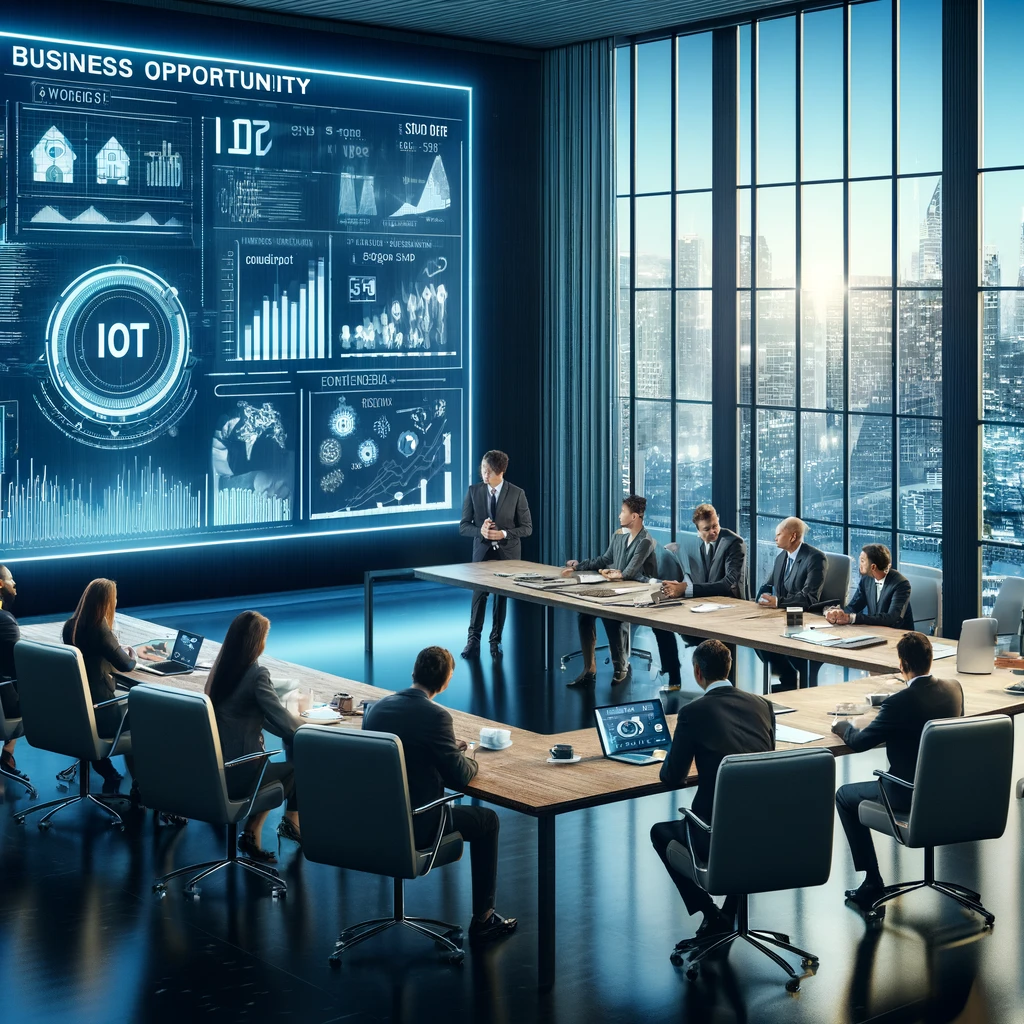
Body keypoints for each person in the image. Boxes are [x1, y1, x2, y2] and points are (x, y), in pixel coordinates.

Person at [363, 646, 517, 945]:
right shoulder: (436, 717)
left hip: (376, 820)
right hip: (418, 823)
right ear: (446, 682)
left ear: (413, 672)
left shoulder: (377, 709)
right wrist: (469, 753)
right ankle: (484, 919)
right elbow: (459, 776)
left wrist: (443, 747)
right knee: (487, 820)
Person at [650, 640, 775, 945]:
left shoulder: (694, 712)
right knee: (742, 824)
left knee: (660, 832)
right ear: (728, 668)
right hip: (767, 832)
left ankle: (711, 913)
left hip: (714, 836)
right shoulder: (763, 705)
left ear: (697, 672)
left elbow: (672, 776)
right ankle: (729, 912)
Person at [832, 632, 963, 914]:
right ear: (930, 659)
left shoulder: (898, 703)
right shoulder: (954, 690)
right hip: (949, 791)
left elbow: (860, 742)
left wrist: (843, 726)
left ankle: (872, 881)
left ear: (902, 664)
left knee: (844, 795)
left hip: (907, 793)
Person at [205, 610, 301, 864]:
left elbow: (255, 715)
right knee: (299, 767)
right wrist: (304, 723)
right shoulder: (257, 674)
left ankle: (256, 832)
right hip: (241, 774)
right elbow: (284, 722)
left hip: (214, 772)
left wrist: (287, 728)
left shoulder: (221, 673)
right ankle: (269, 827)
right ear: (257, 642)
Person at [562, 495, 676, 687]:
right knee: (584, 613)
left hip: (643, 593)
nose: (619, 515)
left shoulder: (645, 541)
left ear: (634, 516)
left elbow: (630, 572)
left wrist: (616, 574)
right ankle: (589, 669)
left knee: (609, 613)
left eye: (623, 512)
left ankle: (620, 667)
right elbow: (604, 559)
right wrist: (578, 566)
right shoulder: (619, 536)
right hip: (621, 588)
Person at [62, 579, 136, 790]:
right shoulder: (100, 630)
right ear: (106, 603)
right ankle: (140, 786)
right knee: (143, 715)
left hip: (79, 711)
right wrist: (132, 654)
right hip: (101, 713)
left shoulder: (71, 626)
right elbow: (126, 665)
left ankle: (108, 772)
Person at [458, 450, 533, 659]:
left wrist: (504, 533)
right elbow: (463, 527)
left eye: (487, 470)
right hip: (482, 553)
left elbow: (527, 528)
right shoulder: (474, 491)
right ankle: (473, 640)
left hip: (507, 556)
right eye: (482, 469)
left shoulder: (517, 493)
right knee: (478, 595)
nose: (483, 474)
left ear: (499, 472)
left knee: (501, 598)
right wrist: (479, 531)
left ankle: (496, 640)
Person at [755, 517, 827, 691]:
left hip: (804, 619)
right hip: (780, 618)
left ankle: (794, 680)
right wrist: (760, 598)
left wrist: (778, 602)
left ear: (793, 537)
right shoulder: (781, 558)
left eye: (779, 534)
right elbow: (769, 584)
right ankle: (789, 676)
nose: (775, 538)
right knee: (756, 639)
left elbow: (809, 598)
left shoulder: (815, 558)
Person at [659, 504, 748, 601]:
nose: (713, 531)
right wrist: (678, 586)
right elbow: (703, 581)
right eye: (707, 529)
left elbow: (728, 584)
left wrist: (685, 588)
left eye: (715, 526)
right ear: (698, 531)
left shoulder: (734, 543)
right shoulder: (699, 544)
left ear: (718, 519)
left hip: (731, 605)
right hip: (705, 603)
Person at [824, 544, 913, 630]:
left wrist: (852, 618)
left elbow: (892, 618)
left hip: (899, 636)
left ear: (873, 567)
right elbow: (853, 607)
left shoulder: (901, 584)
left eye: (862, 561)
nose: (859, 564)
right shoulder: (866, 579)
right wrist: (838, 613)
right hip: (874, 631)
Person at [0, 564, 28, 785]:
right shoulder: (5, 621)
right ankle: (7, 753)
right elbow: (17, 668)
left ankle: (7, 754)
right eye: (10, 579)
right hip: (5, 705)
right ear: (1, 584)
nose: (14, 583)